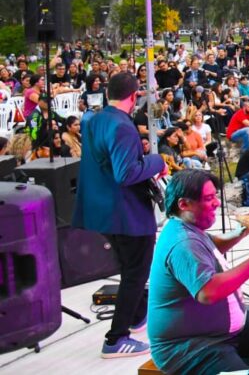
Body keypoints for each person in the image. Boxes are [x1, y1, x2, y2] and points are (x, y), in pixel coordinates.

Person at [72, 72, 167, 358]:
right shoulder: (122, 126)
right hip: (125, 212)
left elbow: (108, 159)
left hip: (101, 210)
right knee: (136, 272)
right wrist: (156, 161)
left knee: (129, 269)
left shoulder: (94, 119)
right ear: (134, 95)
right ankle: (116, 339)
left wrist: (138, 154)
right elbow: (126, 173)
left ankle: (137, 316)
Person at [149, 170, 249, 374]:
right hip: (192, 347)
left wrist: (240, 232)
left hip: (221, 332)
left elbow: (211, 245)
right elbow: (208, 292)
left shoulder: (184, 226)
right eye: (209, 198)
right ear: (184, 204)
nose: (217, 203)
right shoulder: (183, 243)